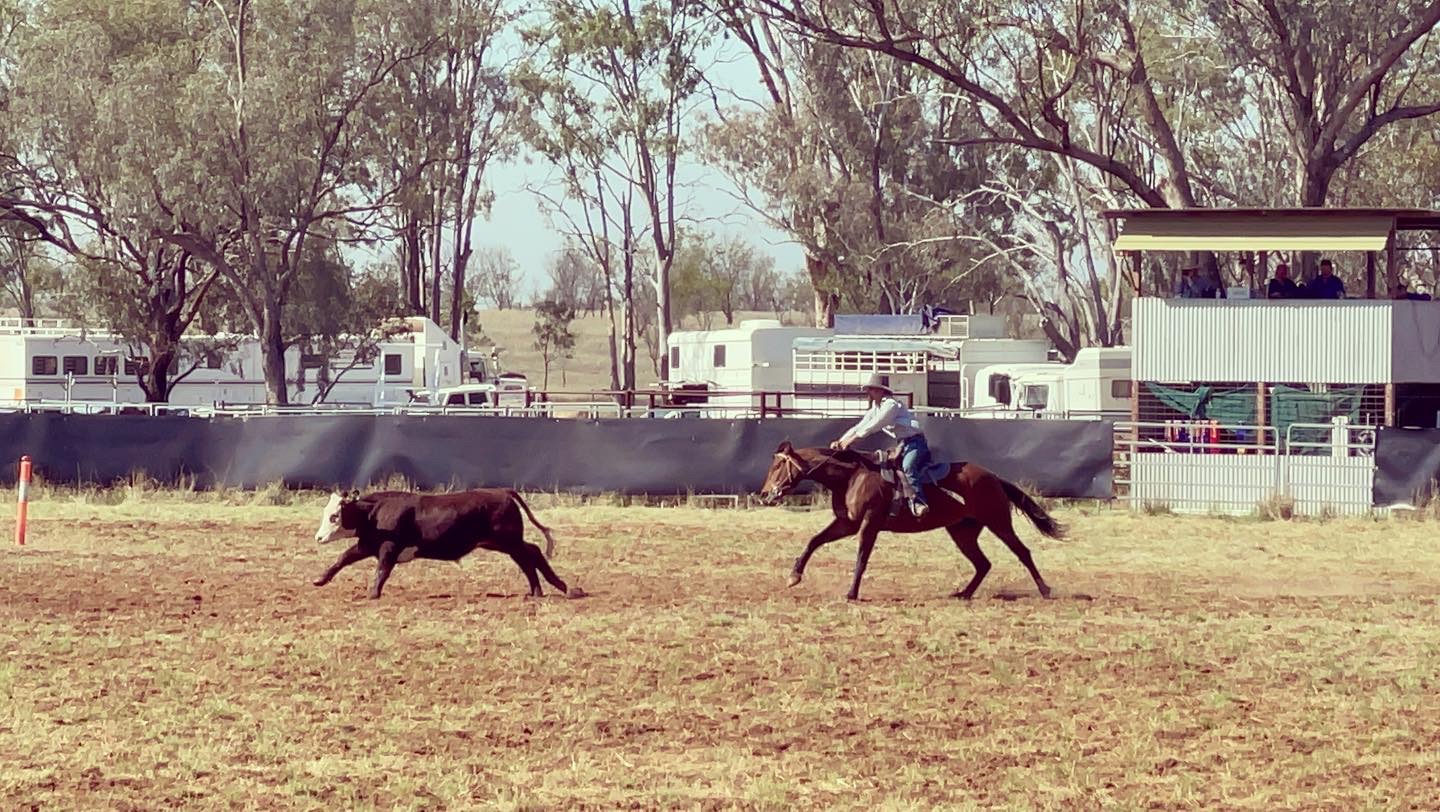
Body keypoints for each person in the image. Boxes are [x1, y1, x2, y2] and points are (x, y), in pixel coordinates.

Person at [831, 373, 935, 517]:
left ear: (881, 391)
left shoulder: (891, 405)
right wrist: (841, 441)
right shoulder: (876, 407)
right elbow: (860, 425)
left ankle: (919, 502)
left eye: (871, 389)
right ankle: (896, 501)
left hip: (915, 442)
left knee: (908, 467)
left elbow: (874, 425)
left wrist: (851, 440)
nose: (869, 392)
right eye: (868, 389)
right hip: (902, 444)